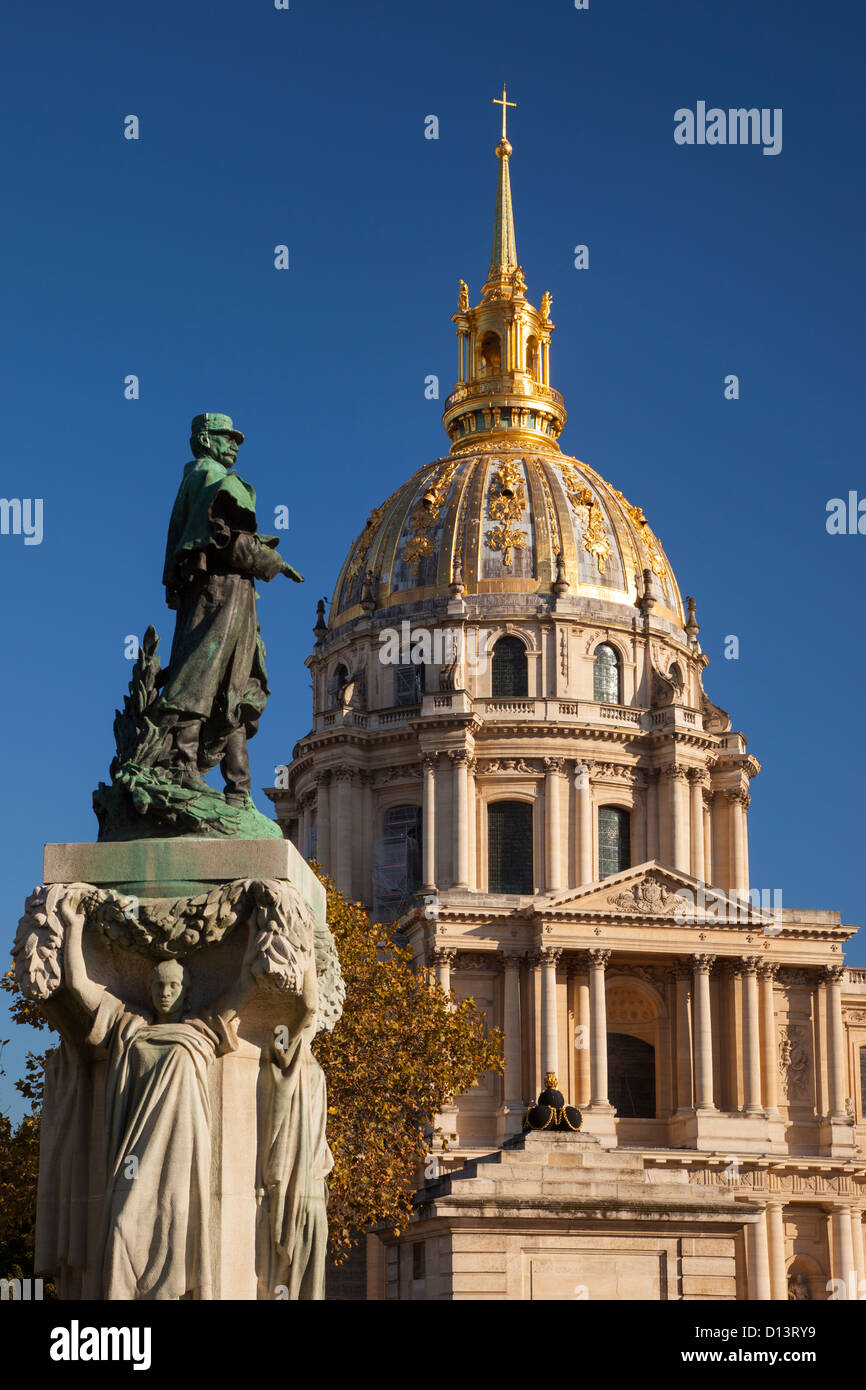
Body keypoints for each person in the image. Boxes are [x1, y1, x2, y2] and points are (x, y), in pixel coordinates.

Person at [155, 413, 304, 806]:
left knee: (236, 683)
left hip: (228, 594)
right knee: (203, 677)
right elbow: (229, 543)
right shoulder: (209, 477)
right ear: (205, 439)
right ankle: (183, 766)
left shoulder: (203, 477)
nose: (235, 444)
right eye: (226, 436)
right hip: (219, 593)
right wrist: (275, 562)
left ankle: (238, 790)